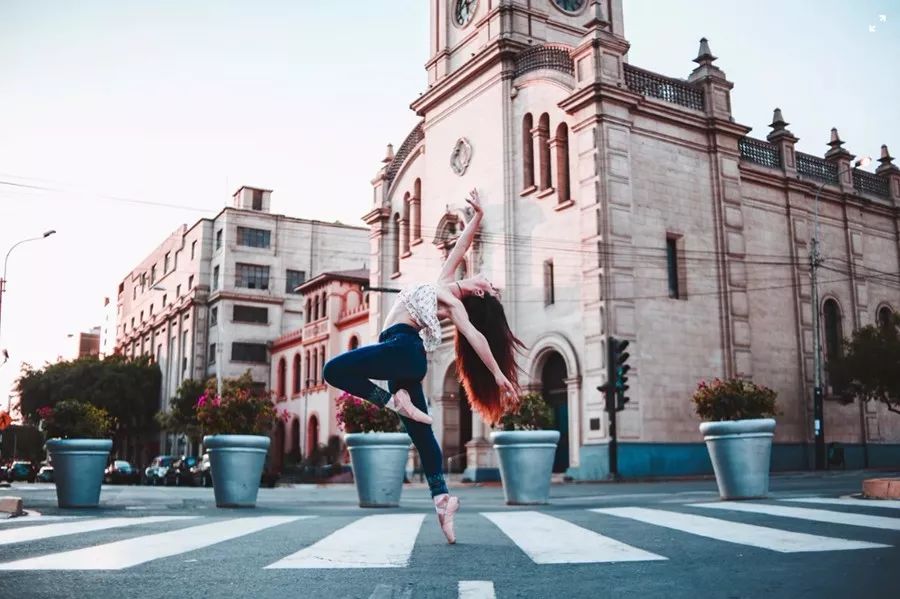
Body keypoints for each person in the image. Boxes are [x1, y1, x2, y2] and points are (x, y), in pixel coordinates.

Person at [323, 189, 523, 544]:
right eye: (488, 280)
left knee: (333, 371)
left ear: (479, 293)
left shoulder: (452, 301)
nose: (486, 280)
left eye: (488, 285)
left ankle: (391, 401)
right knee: (423, 436)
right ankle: (442, 500)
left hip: (402, 348)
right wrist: (476, 217)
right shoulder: (446, 282)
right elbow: (461, 245)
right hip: (405, 359)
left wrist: (497, 374)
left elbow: (477, 338)